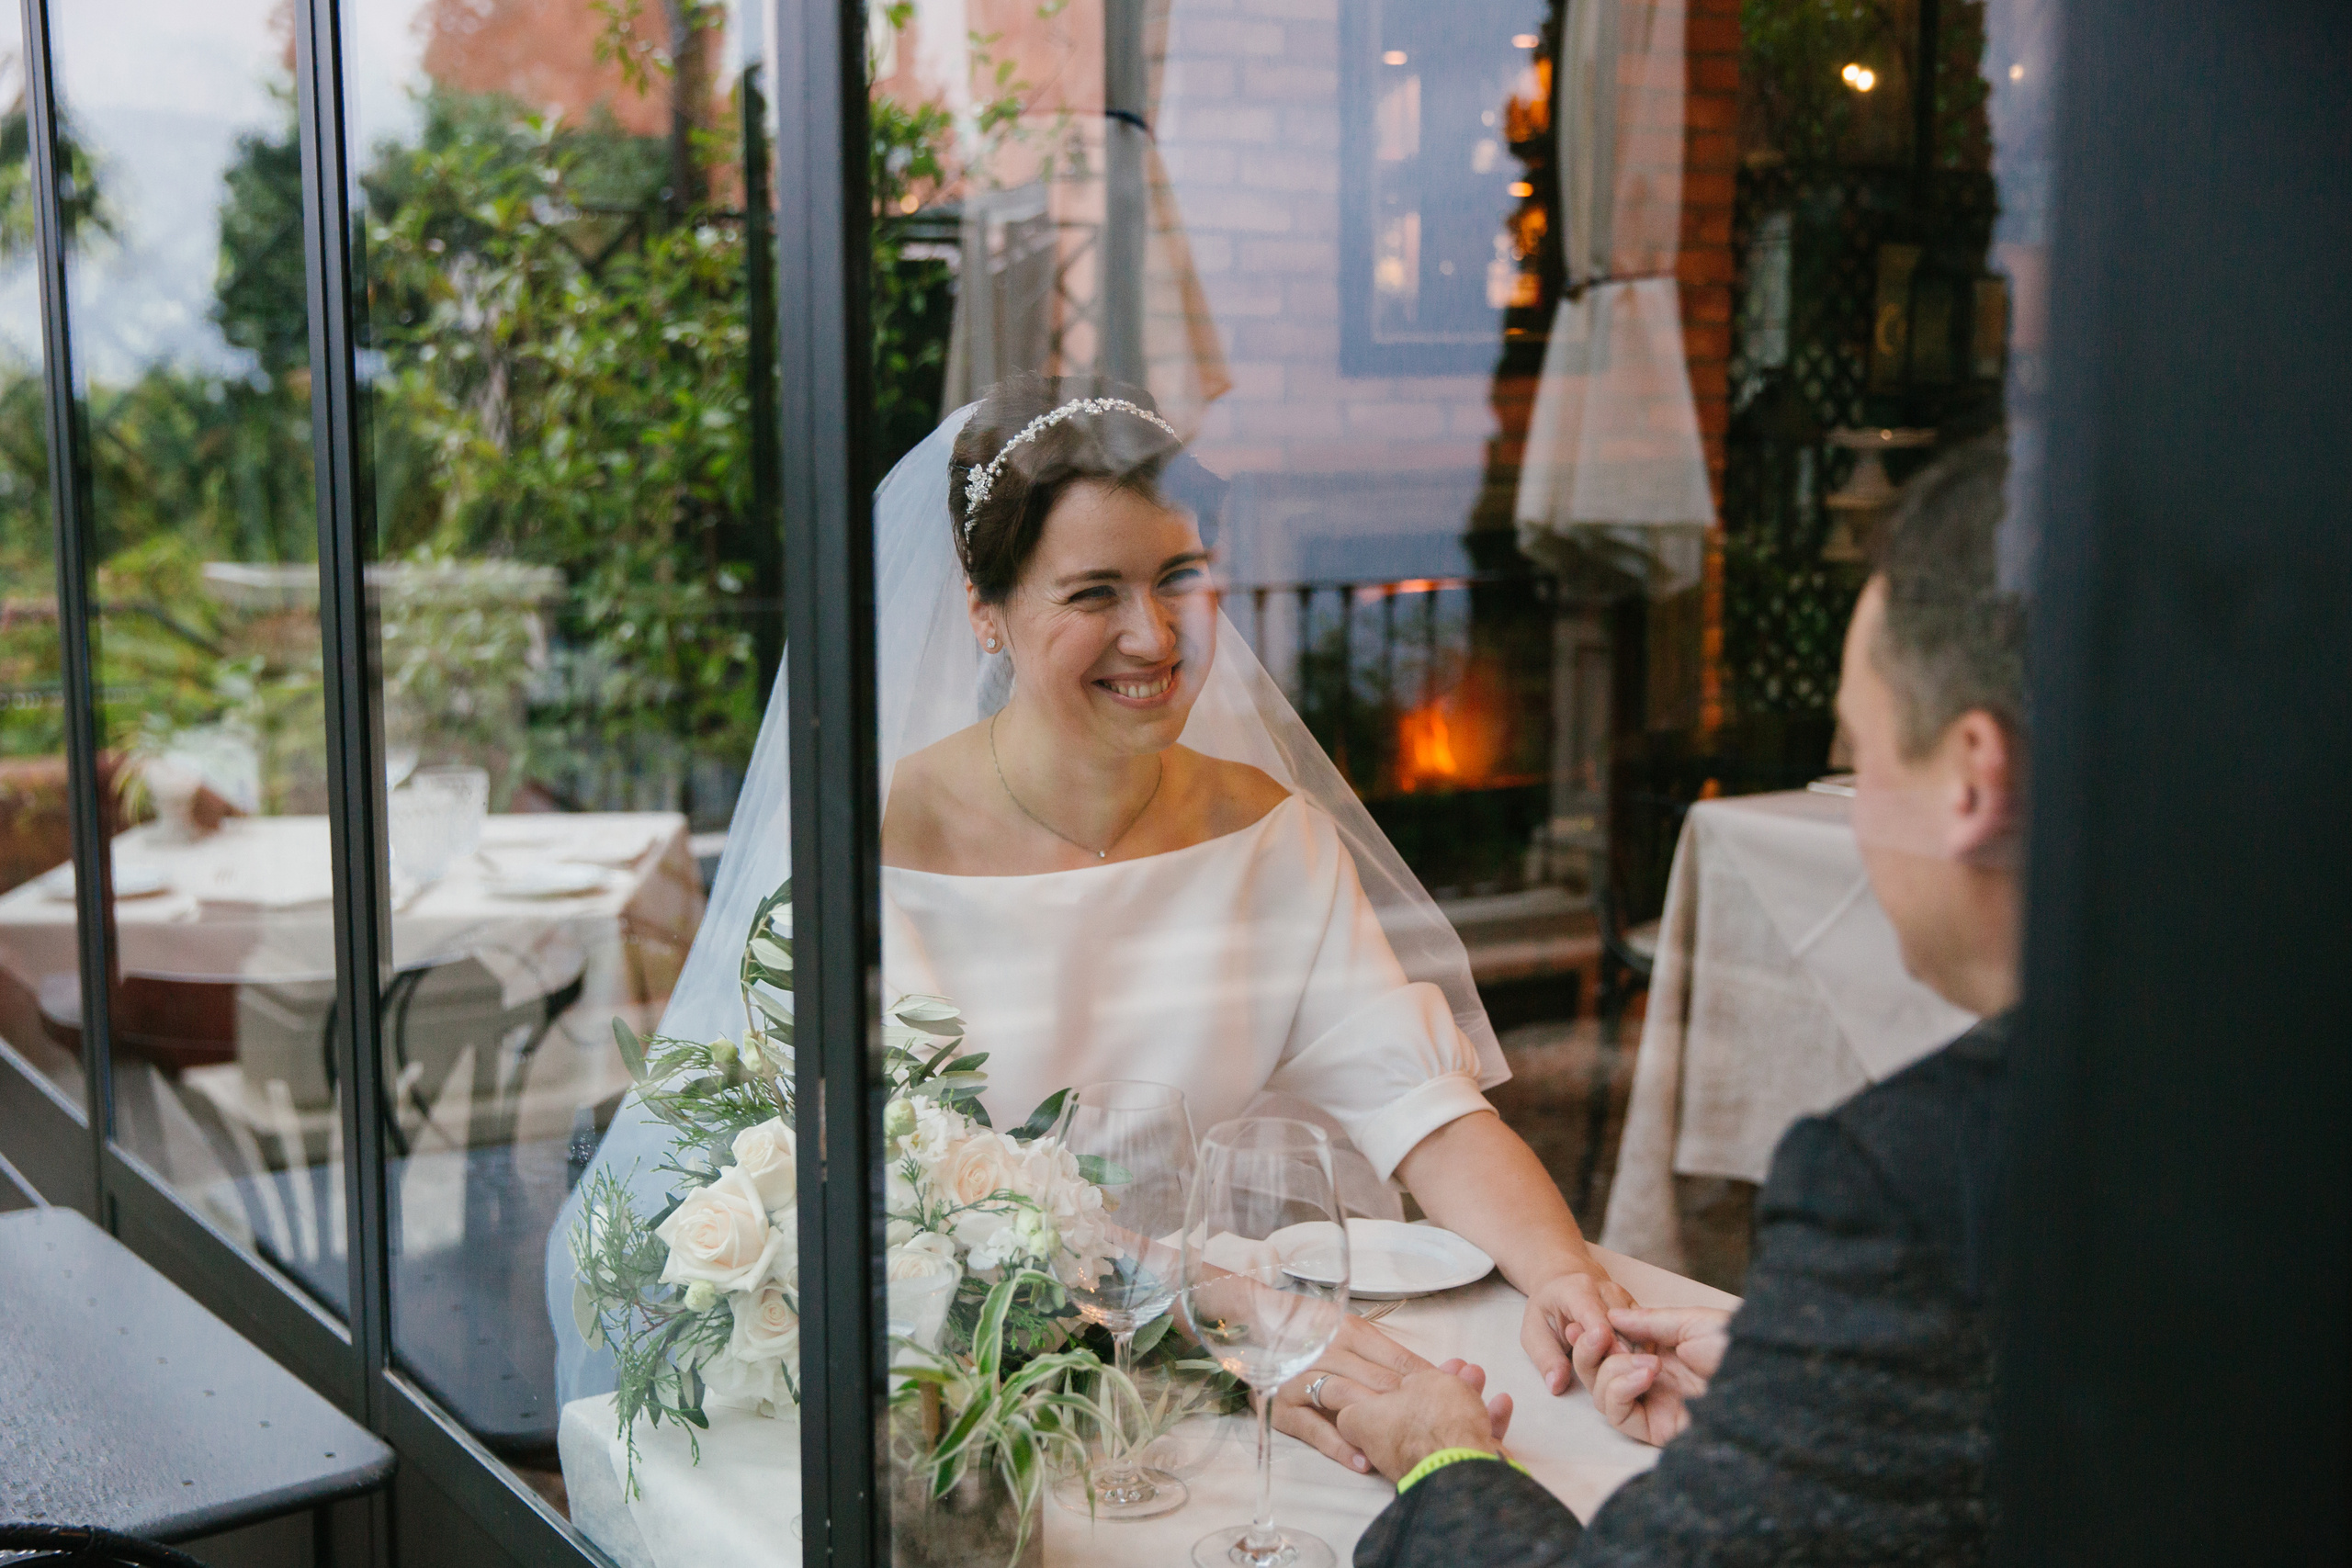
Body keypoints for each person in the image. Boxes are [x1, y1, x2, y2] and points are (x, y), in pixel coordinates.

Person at [552, 375, 1634, 1464]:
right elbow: (910, 1202)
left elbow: (1423, 1108)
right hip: (966, 1398)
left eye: (1180, 578)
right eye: (1092, 594)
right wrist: (1231, 1316)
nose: (1152, 634)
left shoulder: (1272, 835)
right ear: (986, 613)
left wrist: (1565, 1277)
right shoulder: (858, 849)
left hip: (1228, 1362)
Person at [1321, 434, 2025, 1565]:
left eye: (1861, 754)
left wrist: (1442, 1460)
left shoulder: (1909, 1182)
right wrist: (1793, 1393)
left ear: (1972, 780)